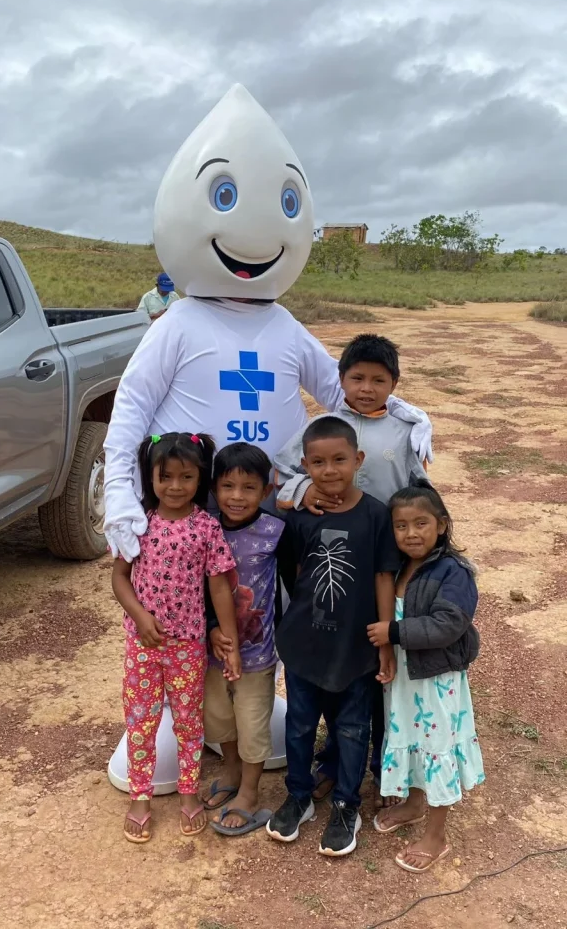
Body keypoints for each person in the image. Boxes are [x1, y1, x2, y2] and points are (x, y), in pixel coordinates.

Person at [104, 83, 433, 791]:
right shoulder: (178, 324)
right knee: (180, 617)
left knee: (266, 613)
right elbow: (130, 411)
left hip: (275, 512)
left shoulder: (283, 325)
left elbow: (344, 394)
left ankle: (256, 714)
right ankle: (177, 727)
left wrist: (407, 414)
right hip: (193, 513)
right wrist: (122, 502)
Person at [275, 334, 427, 808]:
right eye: (356, 378)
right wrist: (303, 490)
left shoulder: (405, 431)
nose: (366, 388)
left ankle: (383, 768)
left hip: (386, 559)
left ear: (394, 384)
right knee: (340, 663)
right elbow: (282, 472)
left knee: (379, 666)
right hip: (335, 557)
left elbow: (420, 490)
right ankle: (331, 764)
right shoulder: (324, 427)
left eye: (378, 380)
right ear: (340, 380)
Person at [266, 416, 401, 858]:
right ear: (305, 466)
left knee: (352, 729)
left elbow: (384, 576)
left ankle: (346, 805)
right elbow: (293, 573)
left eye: (339, 460)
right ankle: (298, 796)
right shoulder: (301, 516)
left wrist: (385, 638)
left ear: (357, 460)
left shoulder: (376, 515)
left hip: (356, 647)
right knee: (300, 725)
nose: (329, 470)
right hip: (305, 644)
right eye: (318, 462)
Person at [111, 431, 241, 844]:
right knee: (141, 720)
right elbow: (119, 578)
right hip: (143, 645)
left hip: (188, 645)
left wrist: (230, 640)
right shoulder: (138, 524)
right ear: (150, 476)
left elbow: (219, 587)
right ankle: (140, 797)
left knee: (188, 721)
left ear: (199, 479)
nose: (174, 486)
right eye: (165, 476)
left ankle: (188, 792)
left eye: (186, 477)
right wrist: (140, 617)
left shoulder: (206, 527)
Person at [367, 479, 484, 873]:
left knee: (436, 746)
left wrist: (394, 632)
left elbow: (449, 623)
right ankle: (415, 804)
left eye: (421, 523)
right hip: (404, 679)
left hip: (436, 681)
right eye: (401, 525)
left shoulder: (454, 571)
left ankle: (436, 835)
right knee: (412, 739)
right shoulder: (399, 567)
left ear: (442, 525)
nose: (411, 533)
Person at [201, 443, 291, 836]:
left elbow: (296, 582)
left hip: (257, 653)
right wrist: (210, 629)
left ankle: (250, 794)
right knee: (219, 717)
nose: (237, 496)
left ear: (266, 491)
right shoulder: (204, 528)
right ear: (213, 488)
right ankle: (232, 772)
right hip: (211, 650)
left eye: (249, 488)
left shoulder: (276, 531)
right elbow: (193, 588)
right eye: (227, 486)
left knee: (252, 722)